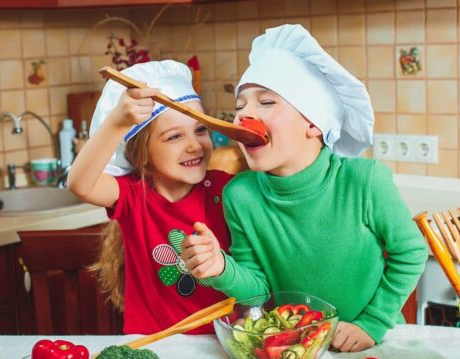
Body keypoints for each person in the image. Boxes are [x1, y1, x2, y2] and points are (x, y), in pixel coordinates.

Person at [181, 24, 428, 352]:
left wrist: (372, 323)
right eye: (240, 106)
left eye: (266, 102)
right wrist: (221, 269)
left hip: (374, 344)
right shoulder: (240, 196)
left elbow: (411, 252)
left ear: (314, 122)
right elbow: (258, 293)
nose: (244, 116)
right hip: (298, 346)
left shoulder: (365, 181)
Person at [67, 60, 233, 335]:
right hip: (153, 344)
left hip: (220, 343)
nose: (194, 145)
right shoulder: (134, 195)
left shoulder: (227, 190)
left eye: (200, 129)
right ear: (141, 155)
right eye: (174, 136)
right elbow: (80, 184)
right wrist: (117, 124)